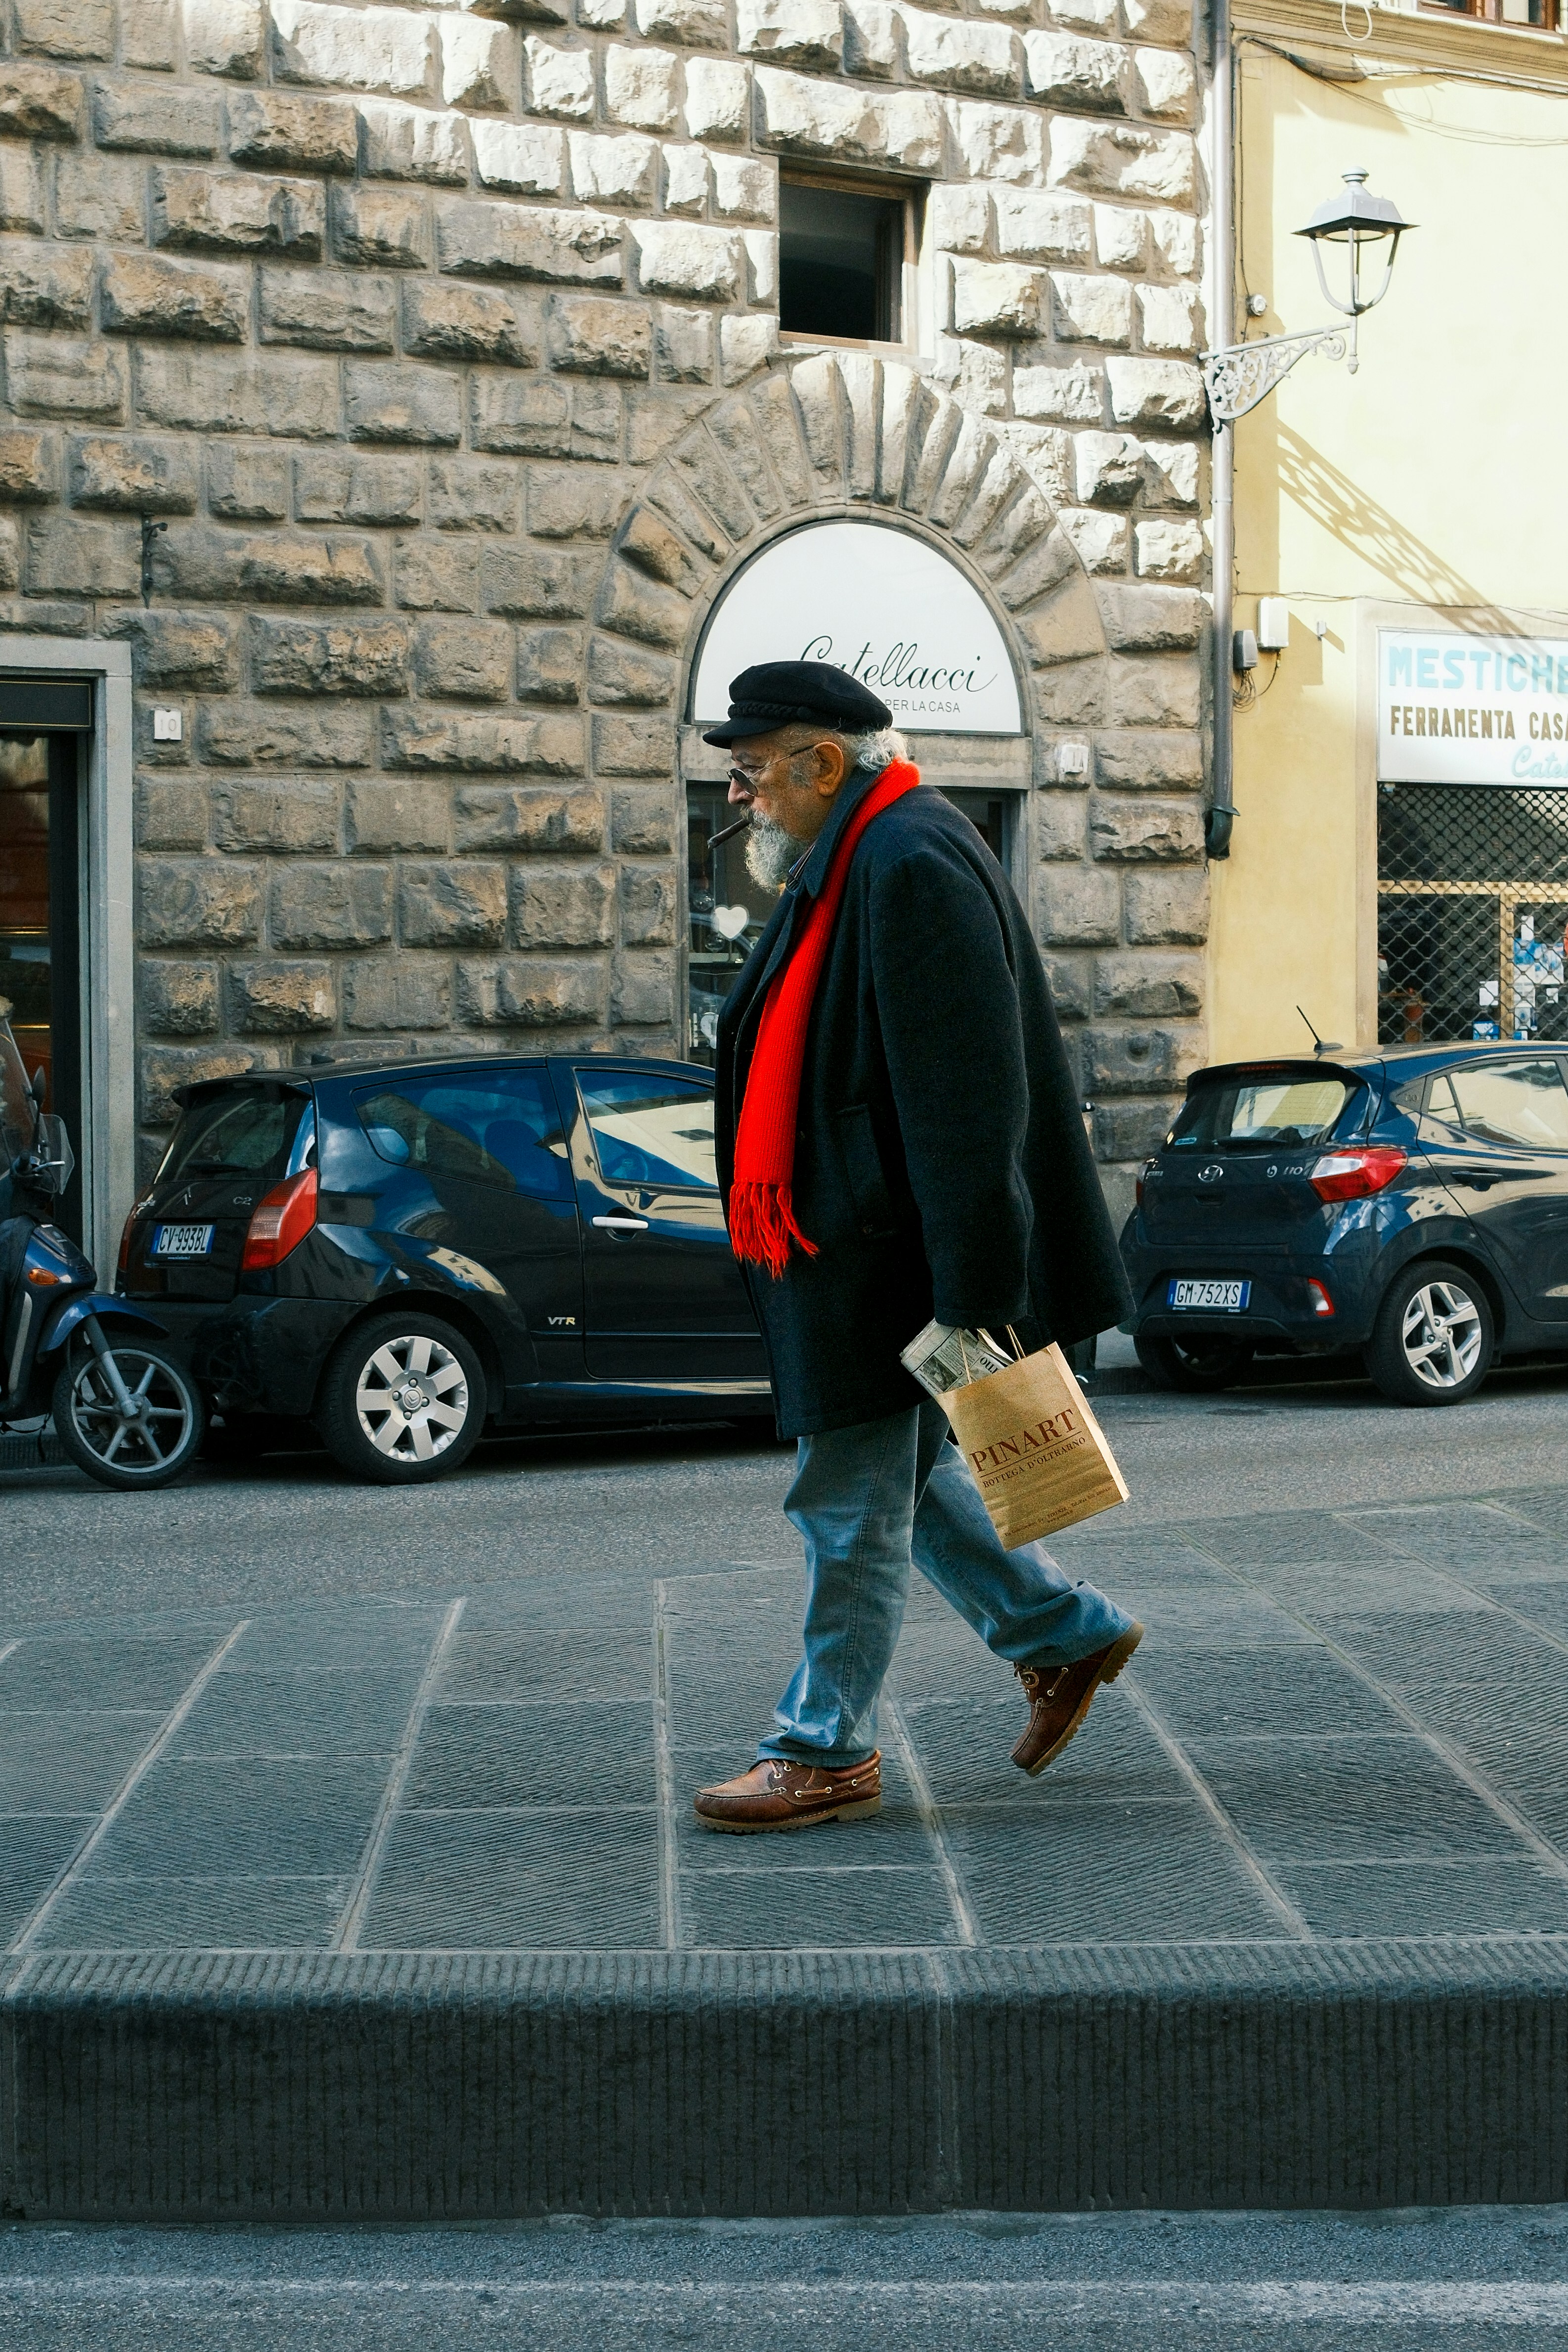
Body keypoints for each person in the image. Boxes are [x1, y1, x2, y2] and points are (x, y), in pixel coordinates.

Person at [693, 660, 1143, 1835]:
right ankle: (1062, 1633)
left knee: (844, 1505)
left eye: (751, 773)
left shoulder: (908, 862)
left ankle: (822, 1747)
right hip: (855, 1251)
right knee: (904, 1484)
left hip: (884, 1263)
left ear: (822, 764)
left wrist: (973, 1298)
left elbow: (967, 1106)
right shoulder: (856, 854)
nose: (740, 797)